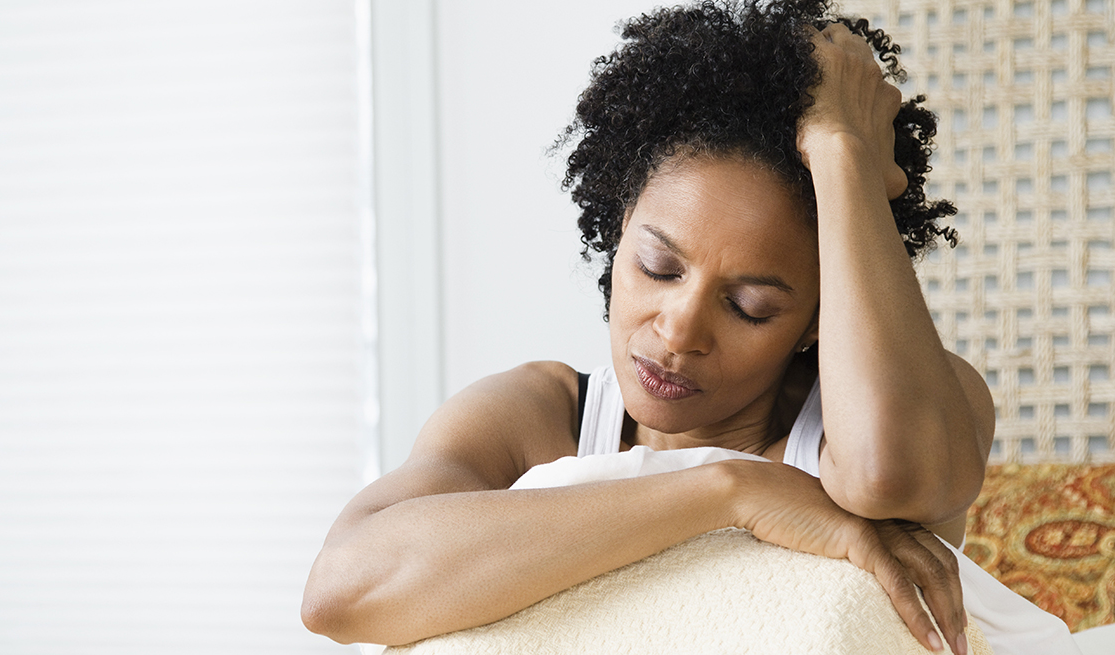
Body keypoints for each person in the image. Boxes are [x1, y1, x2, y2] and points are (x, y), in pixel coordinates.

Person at [301, 1, 1075, 653]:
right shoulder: (536, 418)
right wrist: (729, 490)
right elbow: (343, 588)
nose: (677, 329)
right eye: (658, 267)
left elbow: (886, 477)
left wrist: (842, 154)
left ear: (816, 320)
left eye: (750, 307)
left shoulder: (901, 417)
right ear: (617, 225)